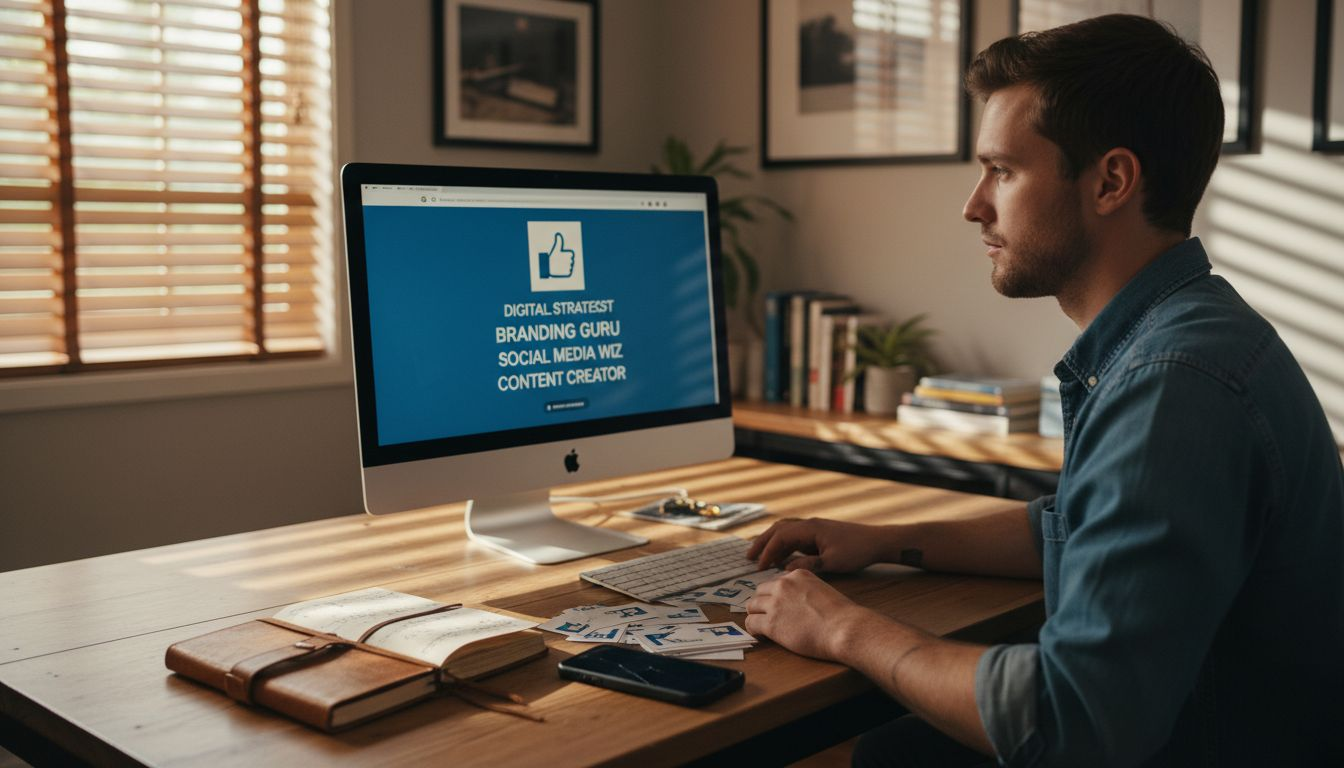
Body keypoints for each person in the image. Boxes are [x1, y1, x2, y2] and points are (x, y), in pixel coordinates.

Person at [744, 14, 1344, 768]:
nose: (974, 205)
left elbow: (1072, 718)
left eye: (1003, 170)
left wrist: (844, 629)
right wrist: (887, 540)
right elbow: (1081, 525)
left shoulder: (1172, 385)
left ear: (1111, 182)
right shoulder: (1188, 330)